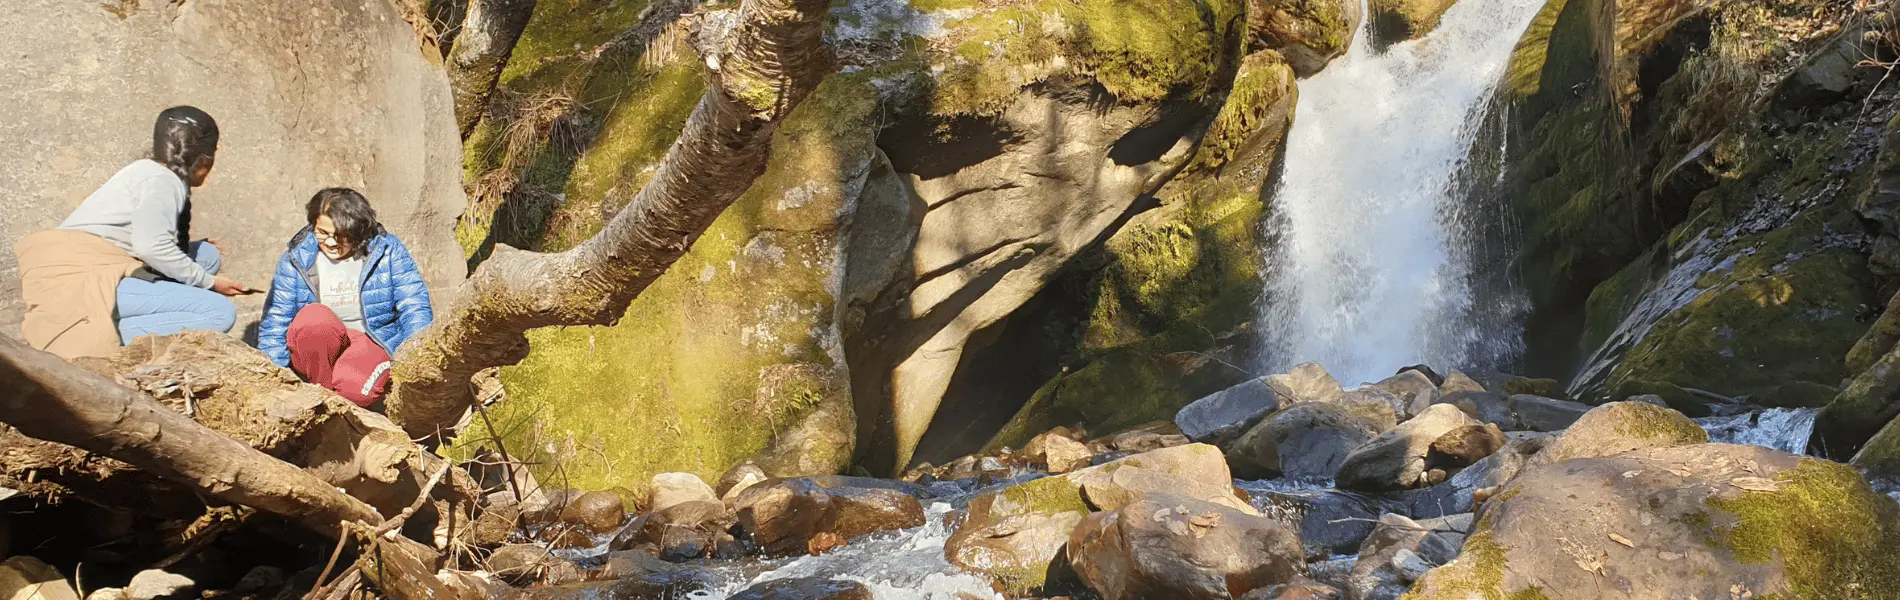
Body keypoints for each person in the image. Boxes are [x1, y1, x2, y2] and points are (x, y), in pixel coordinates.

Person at [15, 106, 247, 359]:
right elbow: (152, 247)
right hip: (80, 275)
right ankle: (93, 338)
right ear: (203, 161)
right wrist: (210, 283)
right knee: (219, 313)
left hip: (103, 260)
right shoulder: (161, 180)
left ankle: (115, 320)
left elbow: (142, 240)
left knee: (207, 255)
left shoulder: (146, 169)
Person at [257, 188, 433, 407]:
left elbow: (413, 304)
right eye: (322, 232)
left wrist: (415, 358)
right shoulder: (296, 258)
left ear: (358, 231)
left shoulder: (388, 250)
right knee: (314, 318)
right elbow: (276, 318)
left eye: (340, 236)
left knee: (357, 391)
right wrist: (272, 381)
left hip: (370, 340)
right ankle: (322, 399)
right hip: (318, 348)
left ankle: (332, 406)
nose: (330, 243)